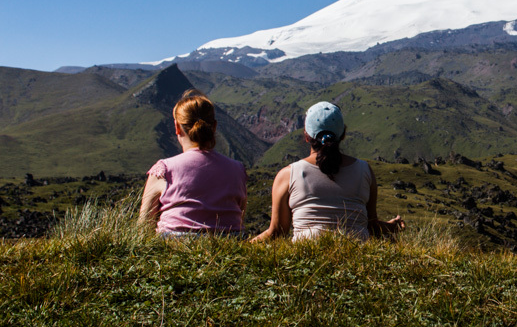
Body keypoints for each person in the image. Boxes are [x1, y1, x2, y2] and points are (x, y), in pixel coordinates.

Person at [251, 101, 404, 243]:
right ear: (343, 135)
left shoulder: (288, 174)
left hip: (308, 262)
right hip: (356, 262)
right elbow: (371, 226)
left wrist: (242, 248)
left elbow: (277, 232)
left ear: (306, 136)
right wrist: (391, 226)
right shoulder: (365, 170)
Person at [138, 89, 247, 235]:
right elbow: (240, 216)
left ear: (177, 127)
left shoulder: (163, 170)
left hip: (173, 247)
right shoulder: (238, 169)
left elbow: (143, 227)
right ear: (214, 126)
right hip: (231, 247)